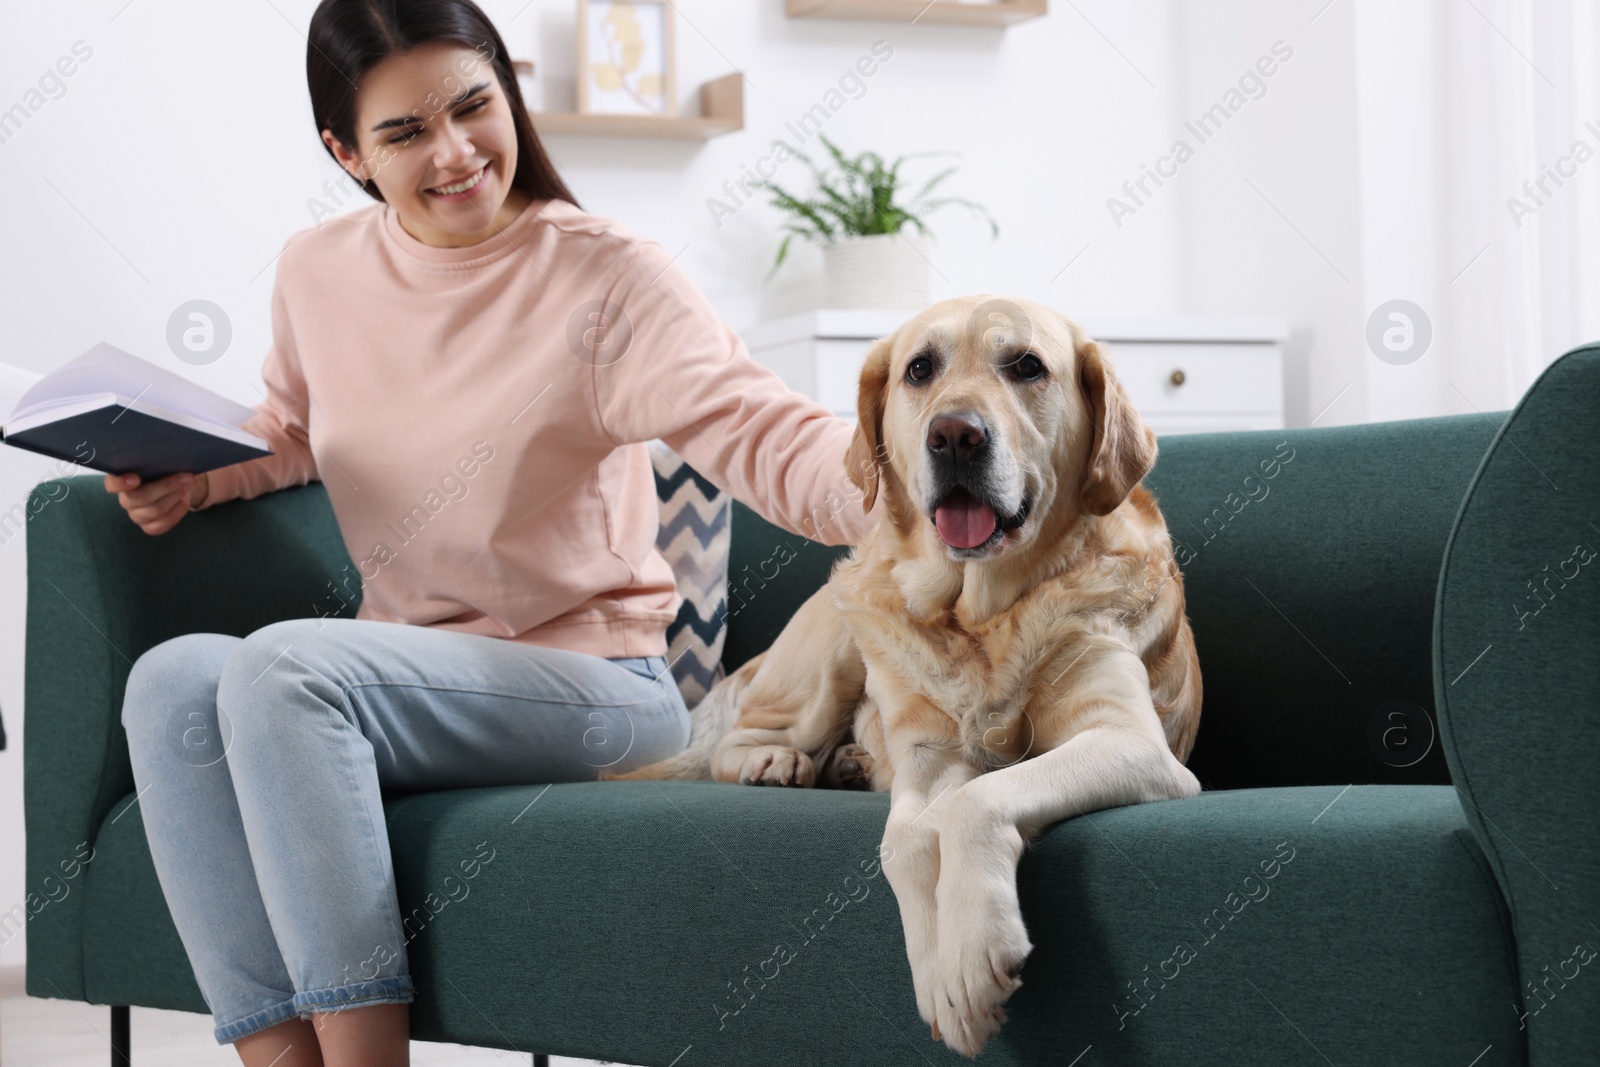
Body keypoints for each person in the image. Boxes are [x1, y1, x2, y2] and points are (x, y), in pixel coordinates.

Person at [108, 1, 882, 1064]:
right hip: (418, 673)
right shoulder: (316, 271)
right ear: (345, 153)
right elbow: (291, 426)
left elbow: (760, 428)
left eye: (474, 107)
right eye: (404, 133)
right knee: (169, 682)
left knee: (285, 668)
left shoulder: (606, 277)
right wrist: (196, 479)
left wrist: (913, 485)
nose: (456, 152)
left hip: (599, 688)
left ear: (507, 89)